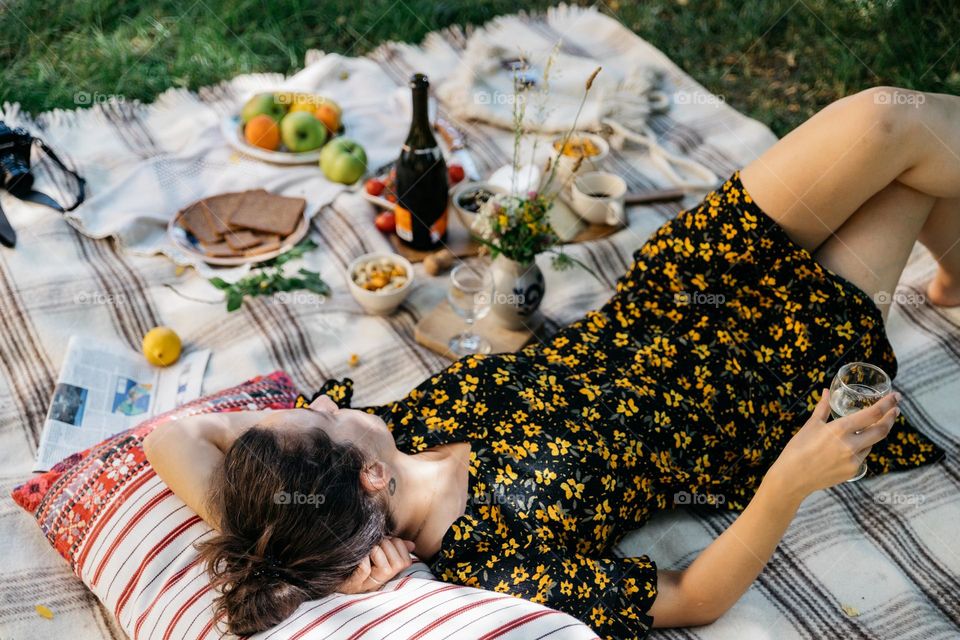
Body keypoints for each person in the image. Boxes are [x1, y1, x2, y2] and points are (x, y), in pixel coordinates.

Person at [144, 86, 951, 638]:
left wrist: (274, 536)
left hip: (674, 292)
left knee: (885, 120)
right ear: (368, 479)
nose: (319, 402)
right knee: (913, 171)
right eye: (318, 418)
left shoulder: (389, 438)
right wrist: (792, 477)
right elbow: (694, 598)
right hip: (768, 371)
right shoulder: (498, 562)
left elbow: (173, 438)